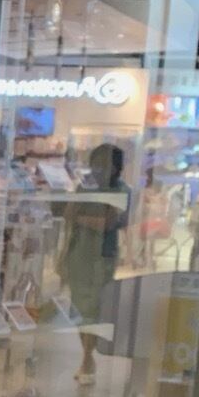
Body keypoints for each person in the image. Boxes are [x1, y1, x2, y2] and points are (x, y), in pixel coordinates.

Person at [59, 141, 129, 384]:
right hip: (78, 255)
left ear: (115, 167)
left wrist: (80, 217)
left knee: (94, 309)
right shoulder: (85, 186)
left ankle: (87, 359)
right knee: (80, 309)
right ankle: (87, 356)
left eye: (104, 164)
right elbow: (68, 216)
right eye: (96, 163)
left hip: (102, 256)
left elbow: (106, 223)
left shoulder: (121, 190)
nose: (99, 169)